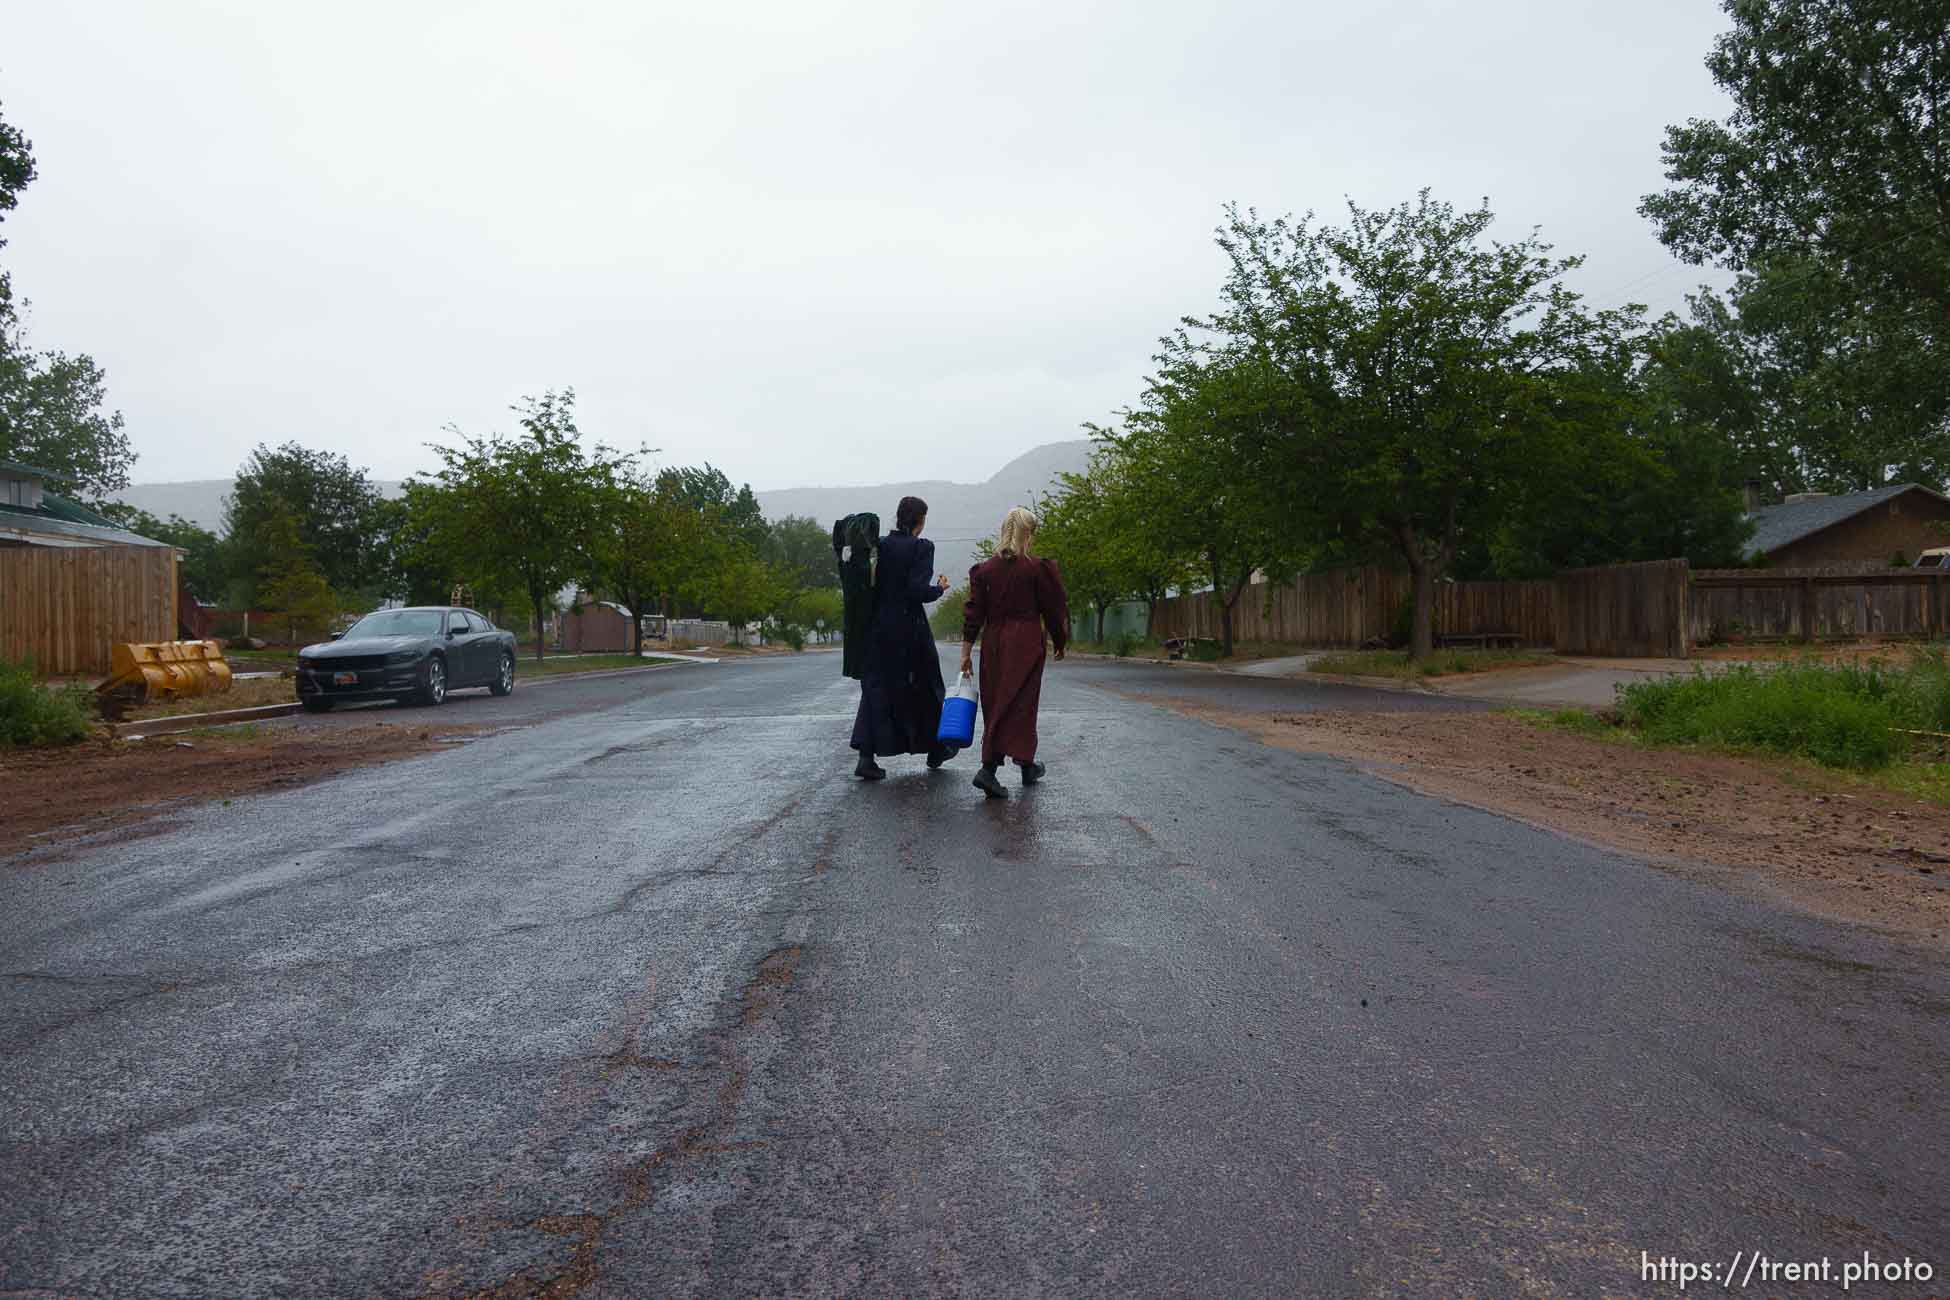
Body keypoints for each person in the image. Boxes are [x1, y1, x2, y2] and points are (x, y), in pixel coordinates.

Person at [960, 506, 1069, 799]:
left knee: (998, 702)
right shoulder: (1036, 568)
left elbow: (974, 614)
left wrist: (966, 652)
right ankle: (989, 770)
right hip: (1026, 642)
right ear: (1028, 533)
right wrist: (1060, 640)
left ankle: (1026, 764)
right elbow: (1054, 608)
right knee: (1022, 704)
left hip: (994, 643)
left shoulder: (984, 570)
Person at [850, 495, 954, 780]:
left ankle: (866, 756)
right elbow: (916, 591)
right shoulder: (921, 548)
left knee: (876, 688)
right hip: (910, 629)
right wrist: (939, 589)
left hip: (879, 627)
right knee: (926, 685)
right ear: (920, 520)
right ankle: (937, 748)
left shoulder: (879, 546)